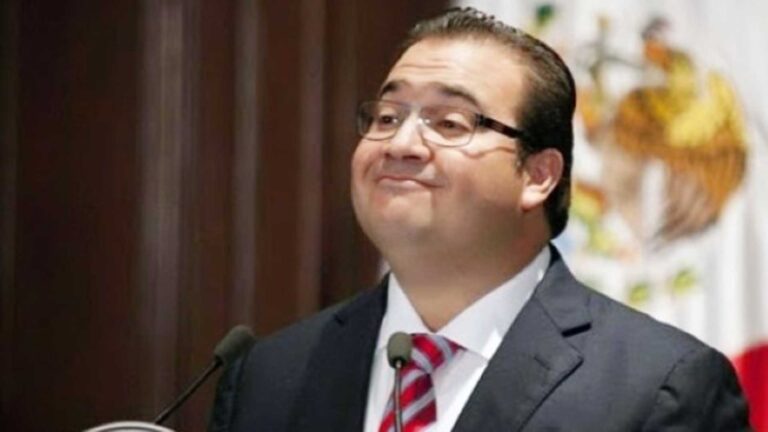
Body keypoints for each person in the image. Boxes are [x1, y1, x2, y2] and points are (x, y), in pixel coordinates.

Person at [208, 7, 751, 432]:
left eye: (449, 123)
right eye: (387, 117)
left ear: (538, 175)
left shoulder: (660, 387)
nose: (400, 143)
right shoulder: (268, 377)